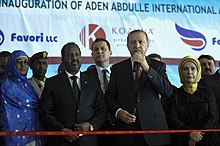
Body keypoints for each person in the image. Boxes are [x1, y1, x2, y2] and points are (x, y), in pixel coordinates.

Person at [105, 30, 173, 146]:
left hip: (154, 129)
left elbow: (167, 91)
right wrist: (118, 112)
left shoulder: (158, 66)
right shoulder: (117, 68)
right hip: (126, 131)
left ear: (147, 45)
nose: (137, 45)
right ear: (127, 46)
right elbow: (109, 96)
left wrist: (147, 68)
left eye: (140, 42)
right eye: (133, 42)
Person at [39, 42, 107, 146]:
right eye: (69, 55)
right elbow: (45, 112)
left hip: (88, 141)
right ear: (62, 59)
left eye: (77, 54)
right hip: (61, 141)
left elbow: (102, 110)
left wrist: (90, 125)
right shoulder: (52, 83)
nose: (74, 58)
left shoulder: (93, 82)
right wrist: (61, 130)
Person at [167, 56, 219, 146]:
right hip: (183, 140)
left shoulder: (208, 92)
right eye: (185, 69)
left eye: (193, 69)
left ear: (198, 71)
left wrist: (198, 135)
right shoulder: (175, 95)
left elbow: (213, 116)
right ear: (180, 72)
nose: (189, 72)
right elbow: (174, 120)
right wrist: (190, 133)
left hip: (209, 139)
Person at [0, 50, 45, 146]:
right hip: (13, 136)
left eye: (25, 62)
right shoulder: (5, 86)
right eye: (19, 62)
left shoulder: (28, 85)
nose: (23, 65)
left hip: (33, 133)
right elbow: (5, 113)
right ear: (11, 64)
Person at [84, 38, 113, 146]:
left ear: (110, 52)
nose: (99, 51)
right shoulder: (85, 77)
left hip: (118, 126)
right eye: (96, 49)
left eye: (103, 48)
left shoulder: (119, 74)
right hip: (94, 127)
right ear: (92, 54)